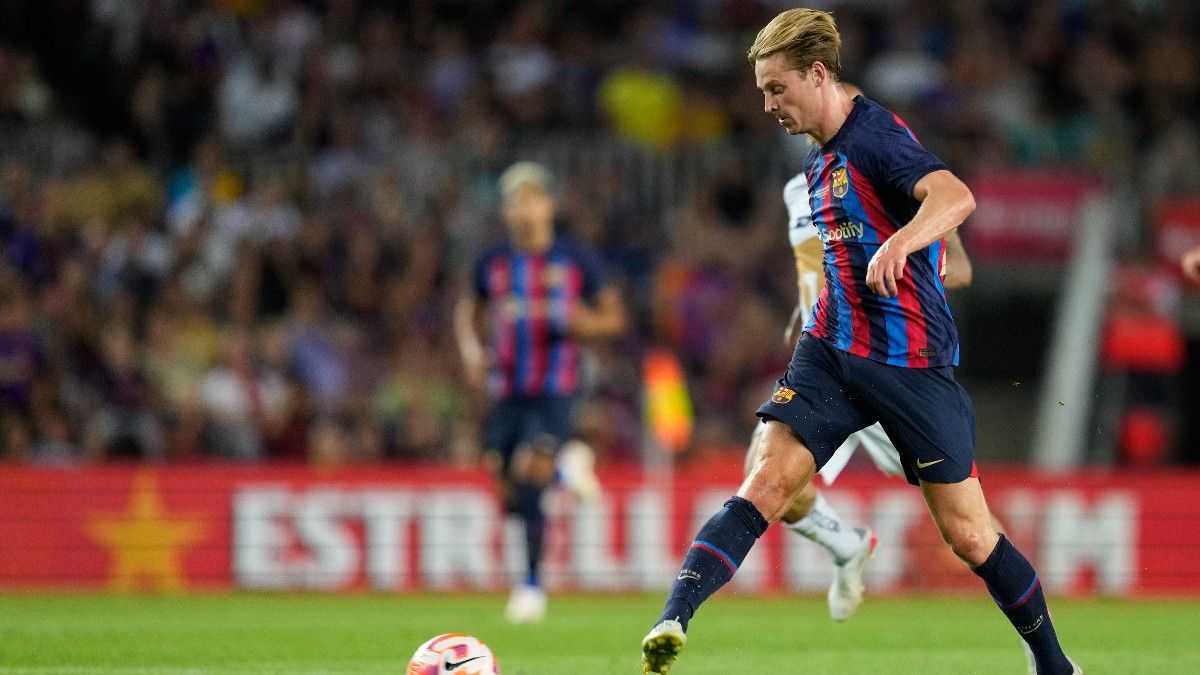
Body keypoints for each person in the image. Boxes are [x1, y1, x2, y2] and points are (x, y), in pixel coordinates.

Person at [641, 9, 1080, 674]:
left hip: (909, 362)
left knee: (967, 534)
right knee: (766, 481)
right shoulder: (817, 165)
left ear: (817, 74)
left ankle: (1053, 662)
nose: (767, 104)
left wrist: (907, 243)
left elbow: (954, 195)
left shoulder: (875, 134)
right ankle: (671, 618)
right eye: (762, 91)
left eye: (777, 88)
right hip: (831, 352)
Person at [755, 109, 976, 622]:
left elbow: (959, 267)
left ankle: (1027, 617)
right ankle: (848, 545)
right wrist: (803, 309)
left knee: (963, 513)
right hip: (824, 358)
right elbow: (820, 262)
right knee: (771, 487)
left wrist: (909, 261)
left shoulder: (903, 187)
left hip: (888, 357)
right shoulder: (803, 186)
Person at [454, 162, 626, 623]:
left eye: (530, 198)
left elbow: (613, 318)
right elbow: (467, 309)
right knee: (506, 485)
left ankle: (530, 585)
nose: (521, 209)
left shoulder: (575, 260)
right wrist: (472, 351)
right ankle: (568, 474)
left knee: (531, 470)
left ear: (548, 204)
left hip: (556, 387)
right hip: (506, 389)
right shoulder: (492, 262)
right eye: (513, 201)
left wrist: (581, 322)